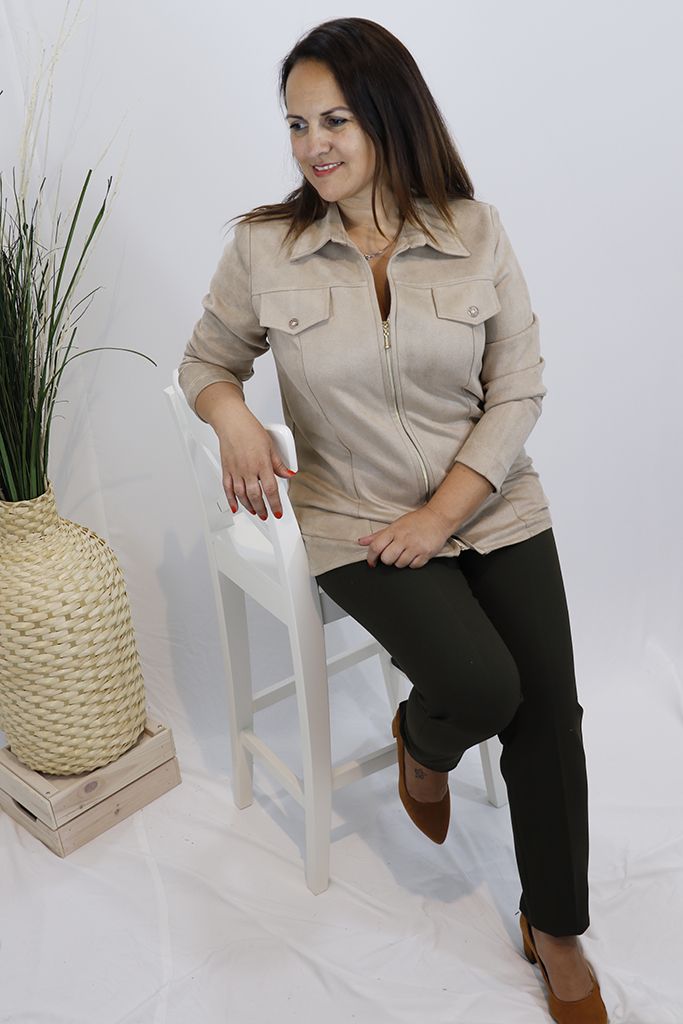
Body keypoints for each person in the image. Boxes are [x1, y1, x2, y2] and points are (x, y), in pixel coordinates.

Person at [177, 17, 609, 1023]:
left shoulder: (474, 230)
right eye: (296, 124)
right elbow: (206, 361)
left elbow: (517, 388)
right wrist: (232, 417)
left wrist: (444, 511)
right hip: (355, 519)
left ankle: (553, 926)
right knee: (480, 685)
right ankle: (421, 736)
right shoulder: (264, 246)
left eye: (333, 120)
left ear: (389, 116)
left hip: (491, 503)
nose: (312, 145)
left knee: (548, 713)